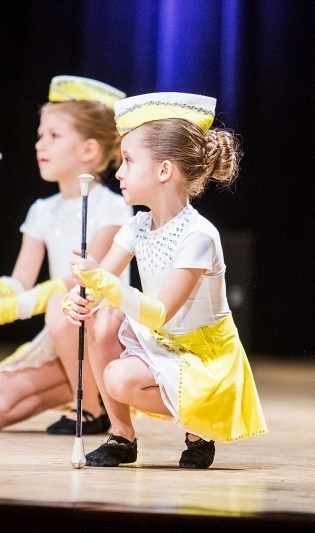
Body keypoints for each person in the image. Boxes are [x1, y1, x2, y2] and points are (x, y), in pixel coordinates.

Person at [64, 92, 267, 469]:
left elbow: (158, 313)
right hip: (163, 342)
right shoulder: (138, 226)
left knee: (118, 378)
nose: (119, 172)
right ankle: (122, 437)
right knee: (103, 319)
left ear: (163, 171)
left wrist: (101, 283)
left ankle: (200, 421)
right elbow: (101, 282)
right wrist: (82, 296)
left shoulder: (199, 236)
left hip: (205, 357)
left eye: (128, 161)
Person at [0, 76, 132, 433]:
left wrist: (13, 309)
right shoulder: (41, 210)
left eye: (54, 136)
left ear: (88, 149)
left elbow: (83, 280)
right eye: (41, 134)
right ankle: (91, 389)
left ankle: (93, 410)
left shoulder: (114, 209)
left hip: (100, 327)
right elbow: (22, 279)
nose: (40, 144)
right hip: (63, 330)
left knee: (64, 309)